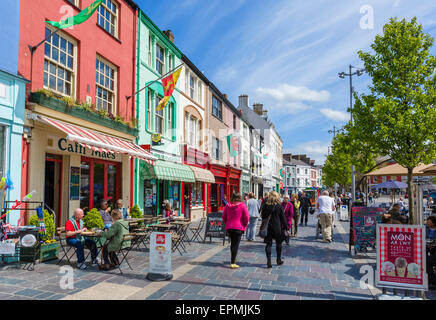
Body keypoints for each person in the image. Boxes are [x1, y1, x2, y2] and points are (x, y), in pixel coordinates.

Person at [261, 191, 289, 268]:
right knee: (279, 243)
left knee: (268, 244)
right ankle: (278, 260)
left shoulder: (266, 206)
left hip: (268, 228)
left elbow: (263, 217)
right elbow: (283, 219)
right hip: (277, 228)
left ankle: (269, 261)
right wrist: (287, 229)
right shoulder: (279, 206)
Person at [222, 193, 249, 269]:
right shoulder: (242, 205)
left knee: (232, 244)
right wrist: (244, 225)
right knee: (235, 245)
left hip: (230, 228)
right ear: (239, 197)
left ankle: (233, 258)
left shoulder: (227, 205)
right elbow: (246, 217)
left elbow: (224, 216)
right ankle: (233, 262)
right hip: (238, 228)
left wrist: (227, 223)